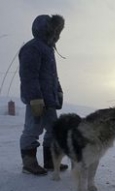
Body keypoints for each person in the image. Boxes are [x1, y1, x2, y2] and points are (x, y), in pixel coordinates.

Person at [19, 14, 68, 175]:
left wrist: (58, 91)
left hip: (49, 99)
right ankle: (29, 163)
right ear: (44, 29)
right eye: (52, 30)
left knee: (53, 130)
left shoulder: (48, 49)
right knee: (32, 130)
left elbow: (53, 76)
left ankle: (50, 160)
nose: (55, 33)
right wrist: (35, 98)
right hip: (37, 99)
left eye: (57, 31)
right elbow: (29, 75)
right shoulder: (32, 48)